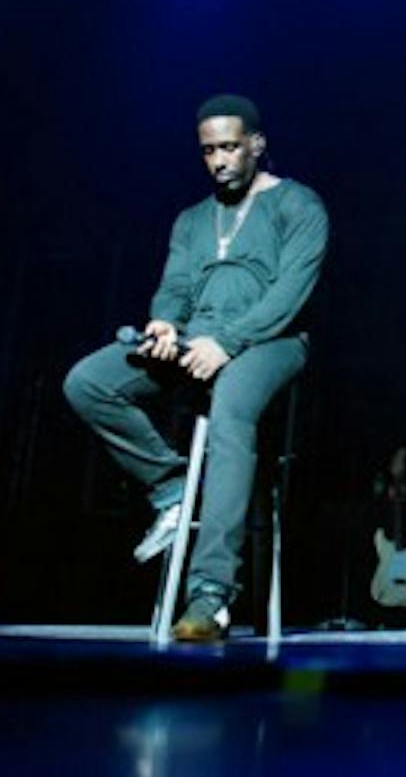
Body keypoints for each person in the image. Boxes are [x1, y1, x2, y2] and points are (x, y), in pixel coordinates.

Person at [63, 94, 328, 640]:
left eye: (230, 147)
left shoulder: (299, 206)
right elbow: (176, 288)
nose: (219, 160)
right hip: (197, 338)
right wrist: (164, 324)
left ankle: (210, 595)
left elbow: (291, 294)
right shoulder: (191, 220)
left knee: (231, 409)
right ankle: (173, 487)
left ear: (256, 144)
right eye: (209, 151)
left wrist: (227, 342)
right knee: (89, 381)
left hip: (269, 341)